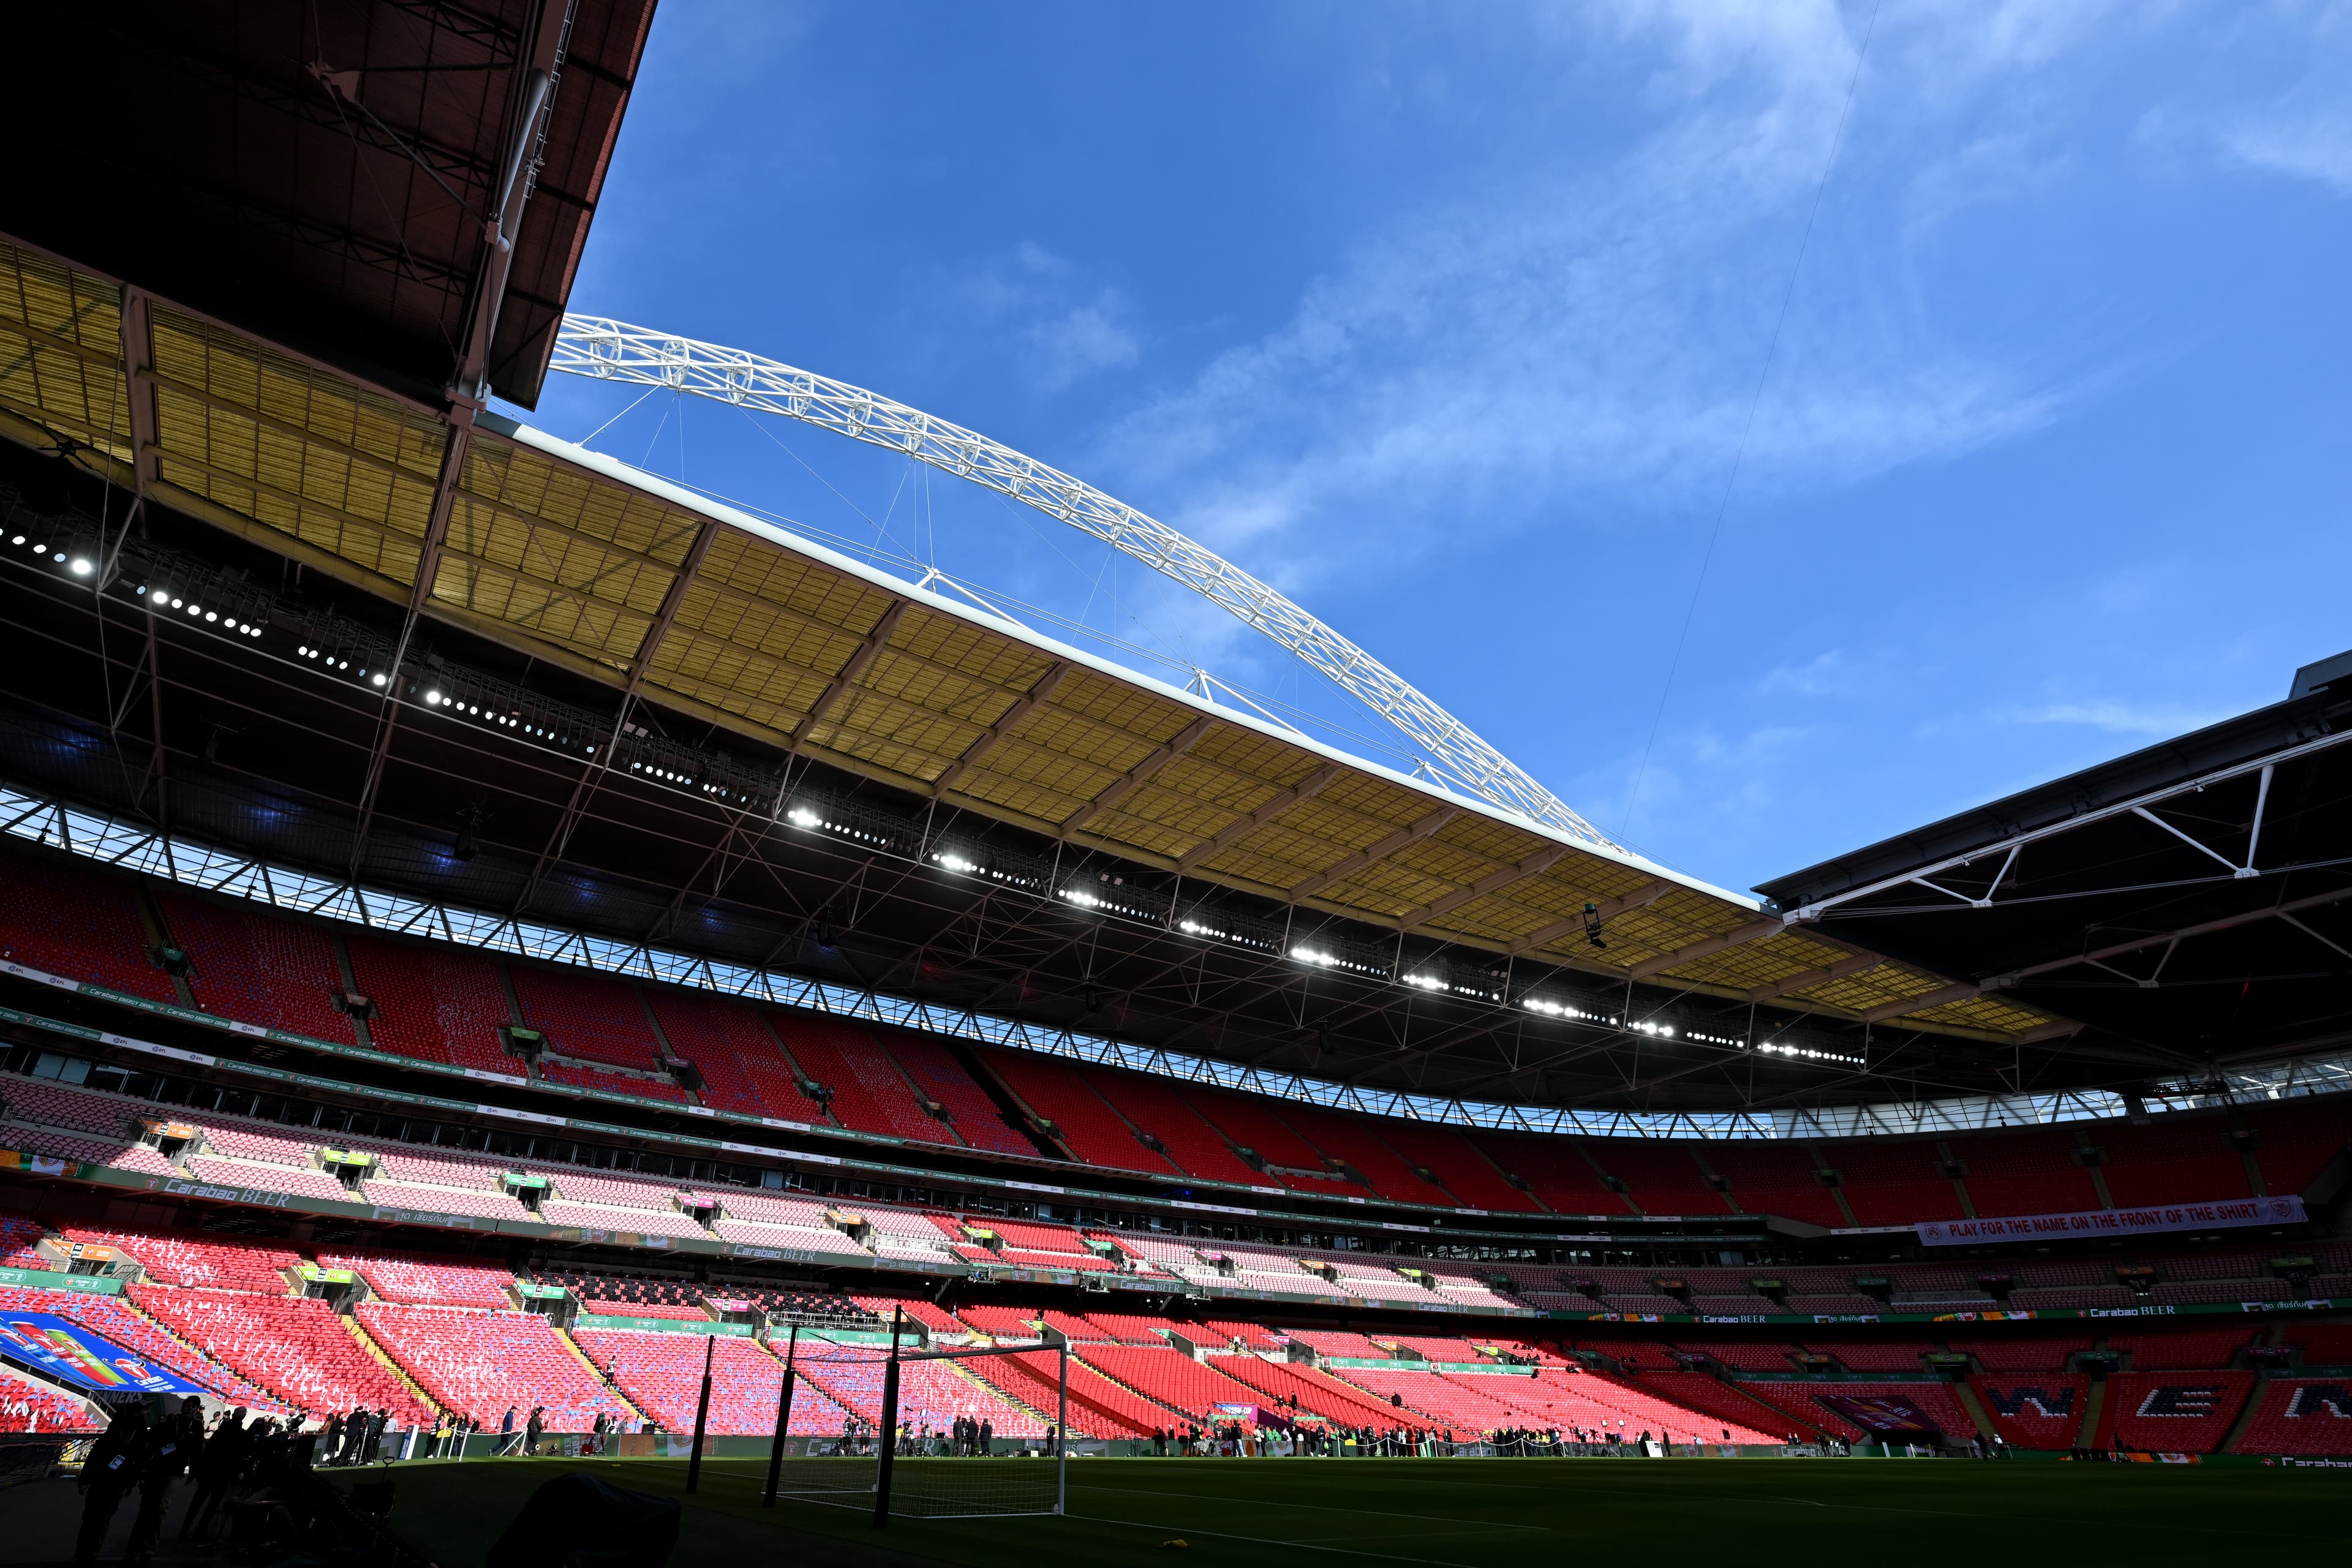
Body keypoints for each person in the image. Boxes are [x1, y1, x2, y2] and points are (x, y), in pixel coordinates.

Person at [75, 1401, 148, 1568]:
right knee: (93, 1518)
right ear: (136, 1413)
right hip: (103, 1477)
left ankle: (90, 1554)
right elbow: (96, 1455)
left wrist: (131, 1482)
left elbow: (139, 1461)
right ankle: (83, 1553)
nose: (148, 1413)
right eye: (145, 1410)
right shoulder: (115, 1430)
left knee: (101, 1518)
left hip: (118, 1481)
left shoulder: (140, 1433)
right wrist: (85, 1479)